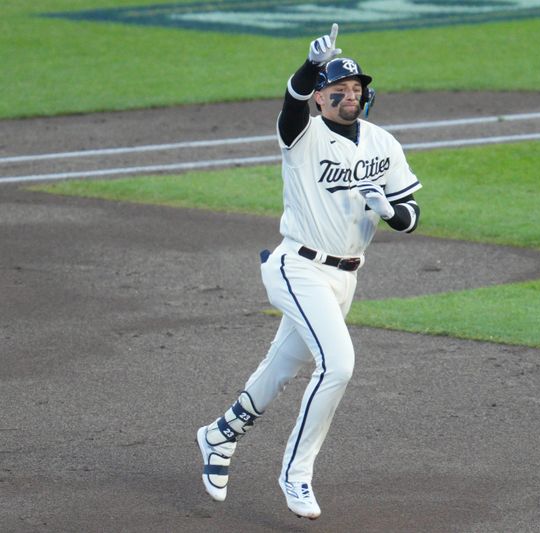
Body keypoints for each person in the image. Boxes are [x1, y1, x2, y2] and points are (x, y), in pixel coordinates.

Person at [196, 23, 422, 520]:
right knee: (338, 364)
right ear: (320, 98)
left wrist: (389, 211)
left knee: (281, 366)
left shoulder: (385, 144)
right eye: (337, 90)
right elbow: (291, 100)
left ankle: (220, 434)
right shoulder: (302, 134)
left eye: (356, 90)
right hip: (297, 268)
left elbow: (411, 218)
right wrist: (308, 67)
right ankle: (296, 474)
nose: (348, 97)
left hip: (345, 279)